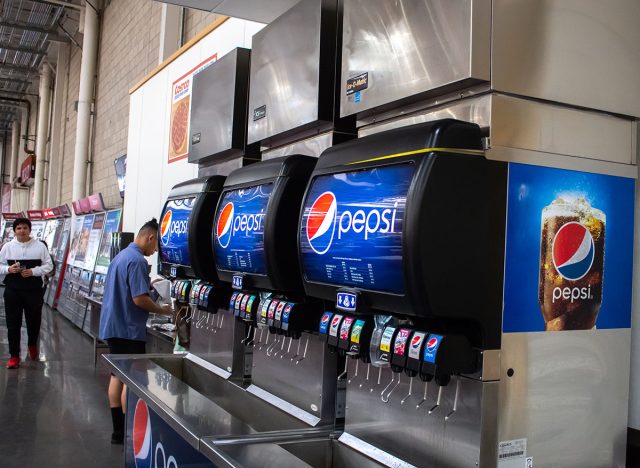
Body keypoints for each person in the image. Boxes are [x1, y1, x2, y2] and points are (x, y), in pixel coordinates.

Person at [98, 218, 172, 444]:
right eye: (157, 245)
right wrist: (163, 311)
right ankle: (132, 432)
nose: (155, 251)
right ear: (150, 237)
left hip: (113, 326)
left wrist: (149, 285)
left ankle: (118, 432)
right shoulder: (137, 260)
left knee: (117, 376)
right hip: (128, 329)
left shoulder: (121, 256)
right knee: (133, 380)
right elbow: (139, 300)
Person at [0, 218, 54, 369]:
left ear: (30, 230)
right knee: (13, 323)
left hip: (33, 291)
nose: (22, 231)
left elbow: (49, 265)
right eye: (18, 228)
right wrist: (8, 269)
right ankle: (14, 355)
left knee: (33, 321)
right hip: (13, 291)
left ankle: (32, 345)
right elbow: (0, 265)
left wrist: (34, 271)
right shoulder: (8, 247)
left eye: (24, 228)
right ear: (14, 231)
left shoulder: (39, 247)